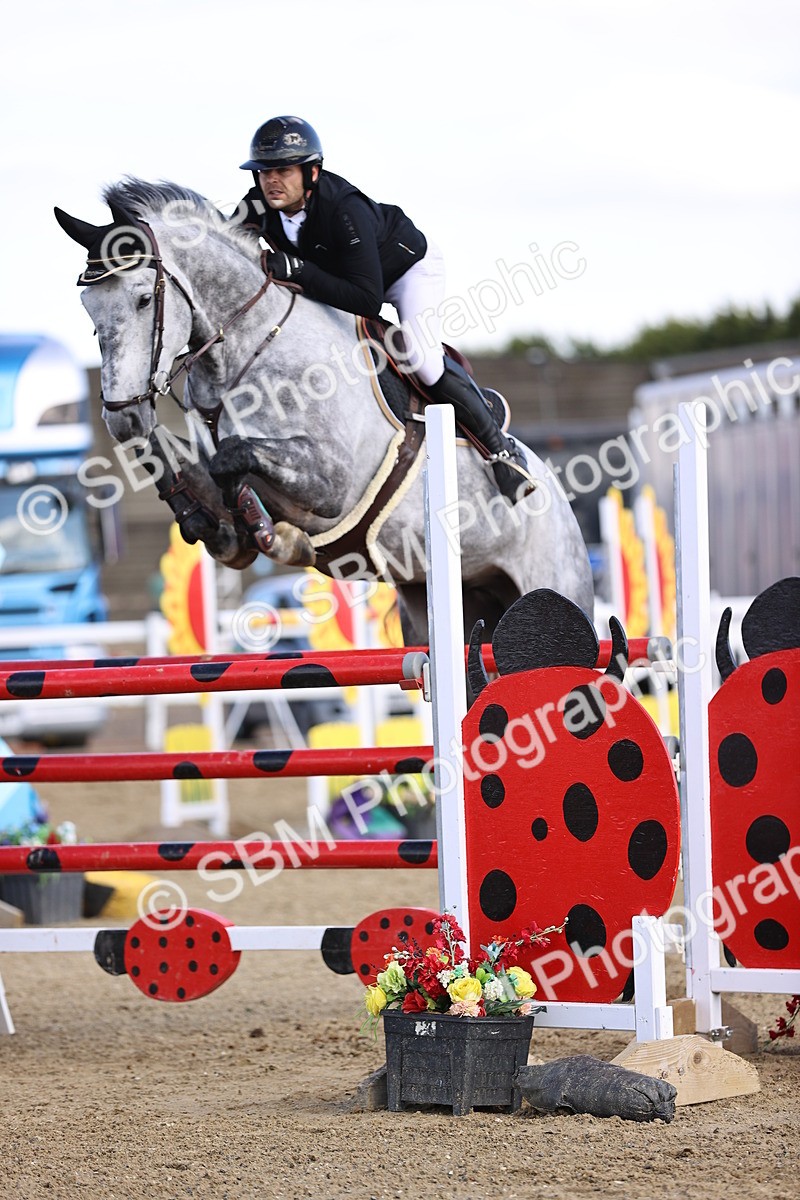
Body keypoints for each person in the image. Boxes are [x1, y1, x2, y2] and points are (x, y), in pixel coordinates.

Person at [235, 115, 535, 503]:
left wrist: (299, 270)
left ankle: (502, 451)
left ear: (312, 173)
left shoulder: (345, 208)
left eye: (284, 170)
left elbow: (366, 300)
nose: (271, 180)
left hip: (405, 272)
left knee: (422, 359)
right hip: (342, 278)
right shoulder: (256, 203)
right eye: (264, 171)